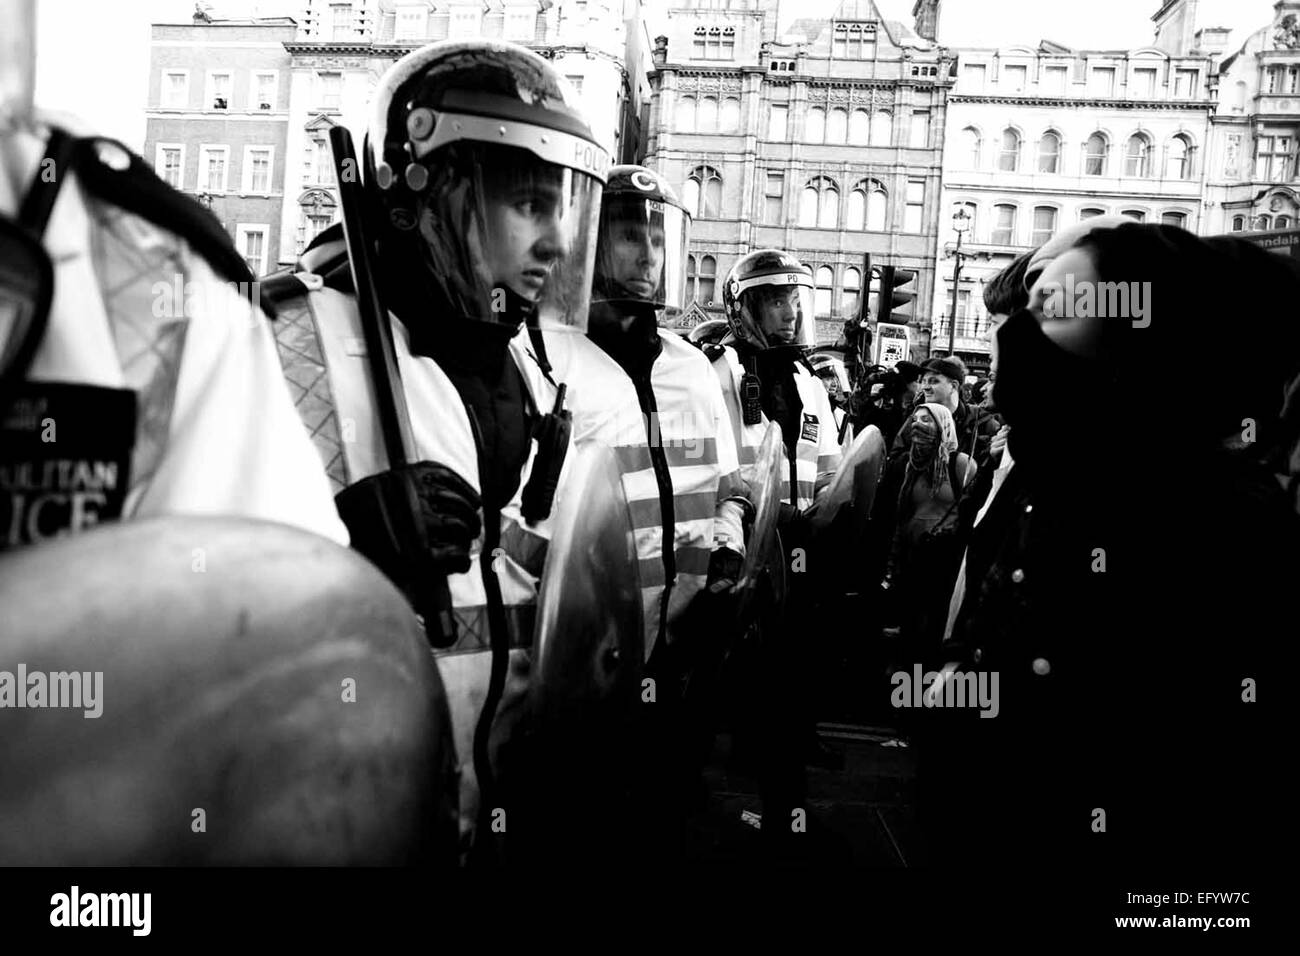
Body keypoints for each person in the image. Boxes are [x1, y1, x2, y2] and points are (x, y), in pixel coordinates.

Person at [263, 39, 611, 861]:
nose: (559, 242)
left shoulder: (520, 366)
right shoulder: (292, 338)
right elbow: (173, 602)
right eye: (528, 202)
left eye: (561, 206)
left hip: (486, 811)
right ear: (436, 188)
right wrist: (336, 550)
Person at [923, 222, 1299, 870]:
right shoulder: (1074, 491)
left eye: (1065, 323)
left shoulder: (1226, 526)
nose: (1022, 348)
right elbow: (1005, 621)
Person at [536, 165, 750, 857]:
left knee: (663, 809)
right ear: (588, 243)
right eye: (629, 235)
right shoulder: (545, 358)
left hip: (684, 635)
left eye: (660, 238)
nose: (649, 254)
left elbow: (726, 479)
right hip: (590, 642)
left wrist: (729, 542)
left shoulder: (693, 368)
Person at [701, 249, 845, 853]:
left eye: (795, 299)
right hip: (739, 555)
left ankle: (785, 810)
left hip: (799, 560)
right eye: (777, 299)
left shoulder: (811, 380)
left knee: (787, 692)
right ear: (747, 307)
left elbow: (832, 467)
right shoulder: (718, 371)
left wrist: (831, 519)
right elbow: (712, 466)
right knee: (718, 696)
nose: (791, 311)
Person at [881, 403, 976, 662]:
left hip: (945, 563)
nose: (917, 424)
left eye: (927, 419)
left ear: (943, 425)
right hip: (913, 560)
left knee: (934, 625)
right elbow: (902, 518)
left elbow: (974, 516)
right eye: (915, 418)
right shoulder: (912, 465)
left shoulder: (961, 464)